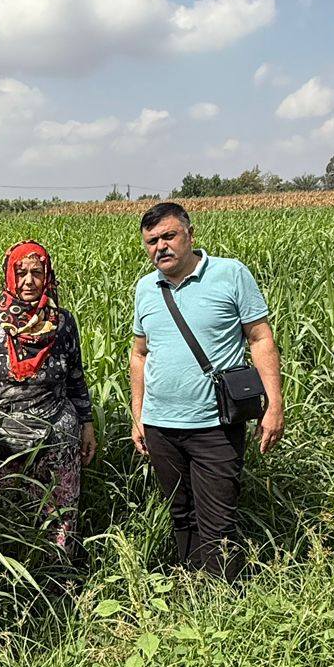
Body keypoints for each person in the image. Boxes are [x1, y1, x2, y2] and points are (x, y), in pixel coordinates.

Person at [129, 202, 283, 578]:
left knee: (217, 519)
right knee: (180, 513)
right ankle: (191, 583)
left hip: (215, 422)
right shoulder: (147, 288)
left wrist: (274, 404)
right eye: (152, 241)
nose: (160, 247)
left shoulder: (231, 274)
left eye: (169, 236)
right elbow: (139, 354)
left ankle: (222, 602)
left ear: (190, 234)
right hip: (161, 426)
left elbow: (260, 338)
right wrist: (139, 416)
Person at [0, 240, 96, 558]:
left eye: (37, 272)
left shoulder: (63, 323)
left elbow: (76, 378)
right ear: (9, 276)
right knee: (1, 512)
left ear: (48, 275)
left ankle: (57, 572)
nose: (29, 281)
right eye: (20, 273)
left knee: (57, 514)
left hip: (55, 434)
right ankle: (1, 576)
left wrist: (87, 424)